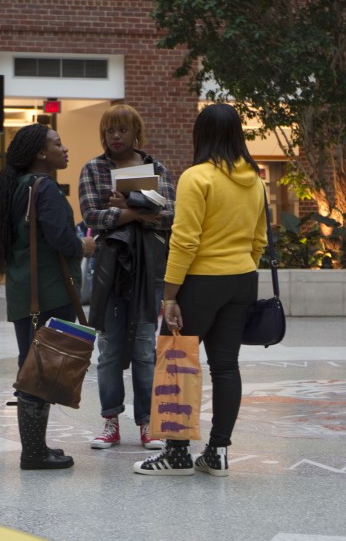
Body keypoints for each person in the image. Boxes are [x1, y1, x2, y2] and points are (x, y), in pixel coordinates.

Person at [133, 103, 267, 477]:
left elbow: (185, 241)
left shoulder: (197, 177)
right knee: (226, 367)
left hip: (201, 282)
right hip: (243, 279)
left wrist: (170, 295)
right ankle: (217, 452)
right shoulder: (254, 179)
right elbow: (259, 239)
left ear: (201, 135)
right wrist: (241, 264)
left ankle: (175, 454)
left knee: (177, 362)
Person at [0, 123, 94, 471]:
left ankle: (35, 449)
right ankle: (33, 452)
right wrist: (85, 246)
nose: (65, 150)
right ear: (40, 152)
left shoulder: (16, 186)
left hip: (25, 291)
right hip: (48, 292)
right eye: (58, 144)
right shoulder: (44, 187)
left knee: (32, 366)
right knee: (41, 372)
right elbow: (62, 239)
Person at [78, 104, 175, 450]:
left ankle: (148, 424)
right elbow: (92, 214)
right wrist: (140, 211)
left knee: (145, 349)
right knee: (108, 348)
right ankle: (110, 421)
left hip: (149, 266)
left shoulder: (157, 168)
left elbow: (170, 216)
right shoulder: (93, 168)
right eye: (109, 131)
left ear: (136, 132)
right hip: (109, 266)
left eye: (121, 130)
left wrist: (124, 209)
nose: (115, 137)